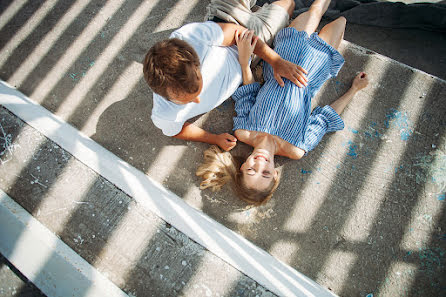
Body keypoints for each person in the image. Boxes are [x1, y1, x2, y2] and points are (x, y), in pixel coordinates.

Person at [196, 0, 369, 205]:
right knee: (341, 20)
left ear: (242, 167)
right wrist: (354, 90)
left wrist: (245, 62)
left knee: (315, 11)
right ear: (275, 175)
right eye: (266, 174)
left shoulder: (243, 131)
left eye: (252, 170)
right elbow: (324, 118)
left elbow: (247, 92)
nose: (260, 164)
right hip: (315, 66)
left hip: (284, 57)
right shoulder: (296, 148)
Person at [143, 0, 309, 152]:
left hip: (227, 18)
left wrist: (277, 62)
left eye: (198, 89)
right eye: (187, 100)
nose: (198, 100)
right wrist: (213, 138)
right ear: (162, 94)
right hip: (249, 54)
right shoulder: (163, 114)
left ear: (196, 64)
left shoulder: (190, 37)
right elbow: (175, 130)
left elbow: (241, 34)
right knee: (288, 4)